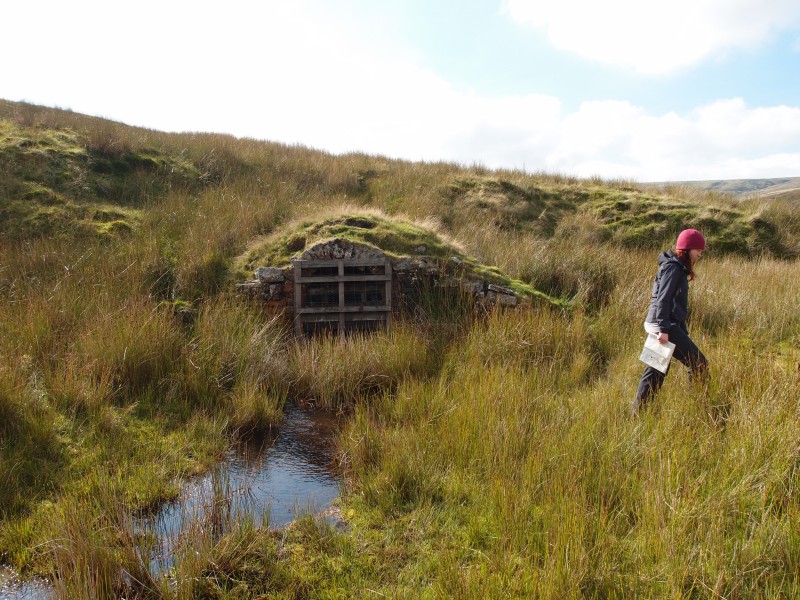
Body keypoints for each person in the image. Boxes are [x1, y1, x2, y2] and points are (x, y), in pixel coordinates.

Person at [632, 229, 708, 414]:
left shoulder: (675, 267)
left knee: (657, 369)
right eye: (698, 249)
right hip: (664, 325)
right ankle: (699, 407)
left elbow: (670, 302)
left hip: (664, 323)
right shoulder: (673, 268)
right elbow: (663, 300)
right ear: (687, 248)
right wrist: (664, 329)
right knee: (699, 364)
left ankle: (639, 413)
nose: (700, 254)